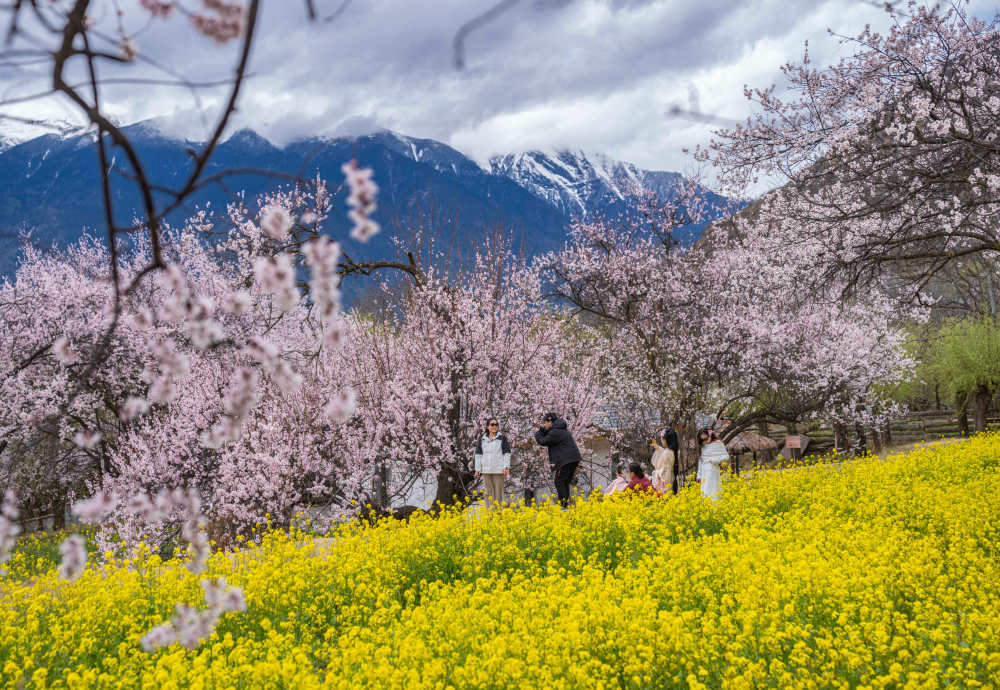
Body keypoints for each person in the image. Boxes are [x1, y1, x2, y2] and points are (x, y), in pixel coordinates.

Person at [534, 412, 583, 509]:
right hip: (573, 459)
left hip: (566, 460)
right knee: (564, 482)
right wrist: (544, 431)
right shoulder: (559, 428)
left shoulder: (555, 432)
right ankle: (565, 504)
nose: (544, 425)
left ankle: (563, 505)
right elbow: (548, 434)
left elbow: (543, 441)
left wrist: (538, 434)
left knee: (559, 481)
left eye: (545, 423)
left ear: (550, 421)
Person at [474, 418, 511, 510]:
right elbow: (478, 454)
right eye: (492, 424)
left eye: (496, 424)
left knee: (498, 493)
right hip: (486, 470)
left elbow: (506, 453)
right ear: (487, 426)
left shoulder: (502, 438)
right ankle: (489, 513)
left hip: (498, 470)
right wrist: (477, 469)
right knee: (487, 493)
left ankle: (498, 515)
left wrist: (505, 467)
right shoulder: (482, 439)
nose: (494, 426)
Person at [696, 428, 729, 500]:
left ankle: (714, 509)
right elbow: (701, 461)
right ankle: (706, 509)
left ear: (710, 435)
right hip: (704, 472)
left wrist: (714, 461)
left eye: (706, 439)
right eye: (702, 440)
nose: (704, 441)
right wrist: (699, 475)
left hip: (713, 470)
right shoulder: (703, 446)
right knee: (704, 491)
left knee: (713, 490)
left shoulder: (718, 444)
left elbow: (726, 456)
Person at [662, 426, 680, 494]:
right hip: (675, 478)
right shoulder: (677, 451)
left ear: (667, 440)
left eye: (662, 439)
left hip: (667, 480)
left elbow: (666, 471)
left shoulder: (667, 452)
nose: (661, 441)